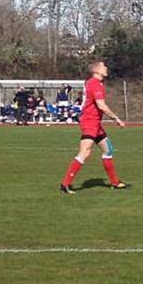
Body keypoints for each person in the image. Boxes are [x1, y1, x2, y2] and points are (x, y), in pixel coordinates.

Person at [60, 59, 128, 194]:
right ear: (96, 70)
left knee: (108, 149)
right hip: (90, 122)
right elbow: (101, 105)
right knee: (85, 152)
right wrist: (116, 119)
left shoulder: (94, 83)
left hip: (95, 122)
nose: (106, 68)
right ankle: (65, 184)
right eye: (104, 66)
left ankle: (115, 182)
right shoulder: (95, 84)